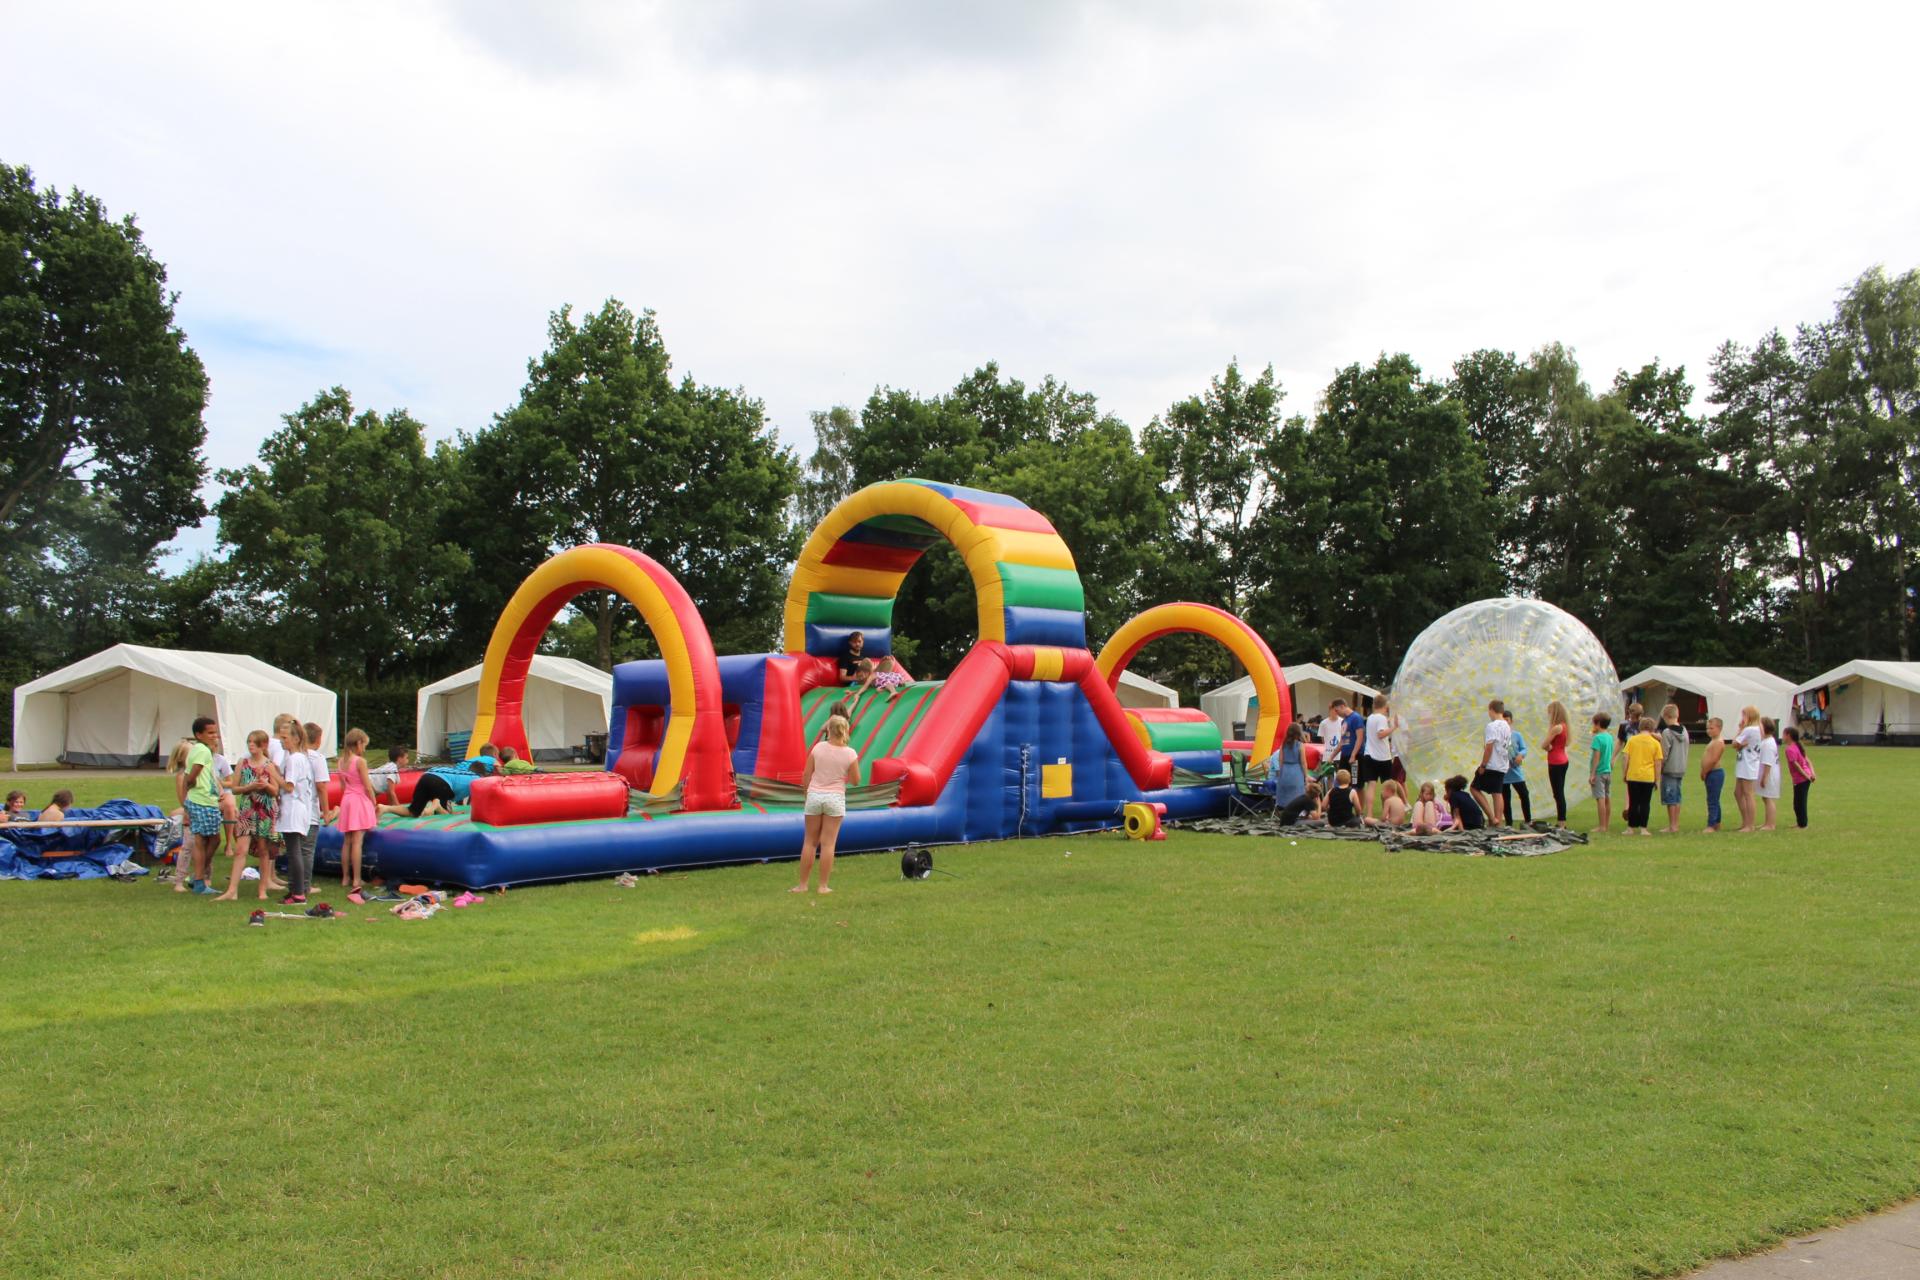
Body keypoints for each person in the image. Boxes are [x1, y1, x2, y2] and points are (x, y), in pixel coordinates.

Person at [215, 730, 284, 902]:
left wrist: (265, 785)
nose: (251, 745)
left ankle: (262, 889)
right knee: (241, 849)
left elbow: (276, 791)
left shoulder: (270, 765)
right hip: (247, 809)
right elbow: (235, 788)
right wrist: (249, 787)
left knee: (263, 850)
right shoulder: (242, 763)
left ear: (263, 745)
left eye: (254, 742)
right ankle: (232, 890)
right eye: (249, 742)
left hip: (265, 810)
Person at [794, 714, 858, 894]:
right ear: (845, 730)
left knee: (809, 842)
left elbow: (806, 774)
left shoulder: (818, 748)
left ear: (828, 730)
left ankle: (802, 885)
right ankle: (822, 886)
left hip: (815, 795)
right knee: (828, 844)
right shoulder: (850, 753)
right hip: (835, 798)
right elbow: (855, 780)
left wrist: (807, 795)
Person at [330, 728, 379, 902]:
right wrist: (373, 802)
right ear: (358, 743)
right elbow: (367, 786)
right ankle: (357, 879)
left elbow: (343, 786)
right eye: (364, 745)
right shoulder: (359, 761)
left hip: (347, 799)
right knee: (357, 841)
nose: (364, 749)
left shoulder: (341, 761)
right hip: (359, 800)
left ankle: (345, 877)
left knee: (347, 840)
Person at [181, 716, 223, 895]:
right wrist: (193, 787)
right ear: (199, 735)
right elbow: (191, 775)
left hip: (201, 800)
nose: (214, 736)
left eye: (215, 732)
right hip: (203, 801)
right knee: (207, 840)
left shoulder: (198, 749)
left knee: (207, 839)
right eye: (210, 733)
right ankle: (198, 879)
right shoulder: (203, 751)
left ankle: (197, 877)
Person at [275, 720, 315, 905]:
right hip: (299, 807)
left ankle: (298, 892)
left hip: (294, 808)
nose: (282, 741)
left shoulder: (294, 759)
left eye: (285, 738)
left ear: (296, 738)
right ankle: (295, 890)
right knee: (294, 851)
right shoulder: (300, 758)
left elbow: (289, 786)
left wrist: (273, 773)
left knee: (294, 852)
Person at [1621, 716, 1665, 837]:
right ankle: (1643, 829)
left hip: (1633, 775)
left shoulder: (1632, 740)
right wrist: (1657, 779)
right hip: (1648, 777)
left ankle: (1630, 828)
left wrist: (1625, 773)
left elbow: (1625, 757)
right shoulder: (1655, 743)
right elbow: (1658, 763)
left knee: (1633, 802)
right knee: (1645, 803)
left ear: (1640, 727)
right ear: (1652, 729)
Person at [1472, 700, 1513, 826]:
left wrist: (1483, 765)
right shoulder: (1507, 726)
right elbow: (1508, 746)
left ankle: (1492, 817)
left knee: (1474, 788)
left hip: (1492, 764)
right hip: (1502, 764)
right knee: (1497, 793)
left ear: (1491, 710)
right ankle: (1498, 821)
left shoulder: (1492, 726)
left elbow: (1489, 747)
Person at [1360, 694, 1400, 821]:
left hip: (1369, 755)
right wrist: (1394, 727)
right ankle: (1387, 813)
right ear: (1385, 705)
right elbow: (1380, 734)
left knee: (1371, 786)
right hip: (1382, 757)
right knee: (1388, 786)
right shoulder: (1381, 718)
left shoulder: (1370, 718)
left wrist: (1389, 720)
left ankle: (1369, 814)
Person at [1657, 703, 1689, 834]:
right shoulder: (1684, 730)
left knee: (1670, 798)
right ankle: (1676, 823)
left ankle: (1672, 826)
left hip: (1670, 769)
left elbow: (1664, 753)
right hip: (1681, 767)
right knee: (1677, 797)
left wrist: (1660, 768)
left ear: (1666, 716)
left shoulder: (1667, 732)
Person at [1730, 706, 1763, 834]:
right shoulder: (1757, 729)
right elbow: (1739, 745)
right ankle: (1745, 822)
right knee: (1738, 792)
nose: (1742, 718)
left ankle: (1750, 824)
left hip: (1748, 764)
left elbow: (1734, 743)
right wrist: (1740, 743)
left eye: (1744, 715)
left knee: (1748, 793)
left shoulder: (1749, 729)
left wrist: (1740, 730)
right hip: (1745, 762)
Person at [1541, 700, 1573, 825]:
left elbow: (1544, 744)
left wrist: (1549, 748)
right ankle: (1561, 821)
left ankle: (1561, 822)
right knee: (1559, 792)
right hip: (1563, 760)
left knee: (1558, 793)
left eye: (1550, 713)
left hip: (1555, 762)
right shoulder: (1564, 726)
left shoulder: (1556, 728)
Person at [1500, 709, 1532, 824]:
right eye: (1502, 721)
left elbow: (1524, 748)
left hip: (1516, 771)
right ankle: (1509, 823)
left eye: (1507, 720)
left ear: (1511, 721)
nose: (1505, 723)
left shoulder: (1517, 735)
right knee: (1505, 799)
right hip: (1503, 773)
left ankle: (1528, 820)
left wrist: (1520, 755)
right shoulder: (1497, 737)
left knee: (1524, 794)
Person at [304, 722, 329, 864]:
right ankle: (304, 878)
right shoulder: (318, 758)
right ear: (318, 739)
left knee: (295, 850)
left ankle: (296, 876)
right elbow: (321, 787)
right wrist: (326, 812)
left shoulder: (293, 755)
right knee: (307, 850)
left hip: (294, 810)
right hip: (309, 811)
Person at [1699, 718, 1728, 833]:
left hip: (1714, 773)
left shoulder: (1718, 742)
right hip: (1711, 772)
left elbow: (1714, 760)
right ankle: (1716, 823)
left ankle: (1711, 824)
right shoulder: (1713, 741)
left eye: (1711, 728)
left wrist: (1704, 771)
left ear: (1719, 728)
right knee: (1713, 799)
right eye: (1707, 728)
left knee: (1712, 800)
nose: (1709, 730)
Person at [1588, 712, 1615, 835]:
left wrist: (1592, 774)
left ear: (1598, 724)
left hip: (1599, 772)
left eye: (1594, 723)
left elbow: (1596, 757)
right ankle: (1606, 824)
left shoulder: (1597, 738)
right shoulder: (1609, 737)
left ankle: (1602, 826)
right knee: (1607, 798)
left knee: (1600, 799)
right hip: (1607, 771)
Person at [1784, 727, 1816, 829]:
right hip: (1805, 777)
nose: (1783, 737)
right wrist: (1812, 773)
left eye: (1784, 734)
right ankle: (1800, 823)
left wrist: (1807, 776)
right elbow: (1808, 762)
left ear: (1788, 735)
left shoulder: (1789, 749)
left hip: (1801, 779)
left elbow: (1796, 766)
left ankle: (1803, 824)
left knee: (1800, 803)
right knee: (1798, 803)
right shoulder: (1798, 746)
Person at [1271, 723, 1308, 808]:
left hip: (1285, 771)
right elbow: (1303, 762)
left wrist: (1281, 773)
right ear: (1298, 733)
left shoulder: (1283, 745)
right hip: (1296, 772)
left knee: (1284, 797)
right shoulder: (1300, 745)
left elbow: (1280, 760)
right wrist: (1306, 776)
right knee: (1297, 796)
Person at [1757, 716, 1782, 831]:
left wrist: (1764, 777)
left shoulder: (1768, 743)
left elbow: (1767, 762)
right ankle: (1767, 822)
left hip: (1769, 774)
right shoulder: (1767, 741)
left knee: (1768, 798)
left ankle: (1770, 824)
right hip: (1769, 773)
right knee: (1765, 797)